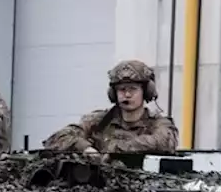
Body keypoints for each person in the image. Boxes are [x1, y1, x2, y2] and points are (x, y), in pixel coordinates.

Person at [42, 60, 179, 155]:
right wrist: (85, 148)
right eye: (121, 89)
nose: (127, 94)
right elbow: (58, 137)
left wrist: (113, 148)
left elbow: (164, 142)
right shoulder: (99, 121)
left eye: (133, 89)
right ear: (113, 94)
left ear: (147, 92)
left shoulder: (158, 123)